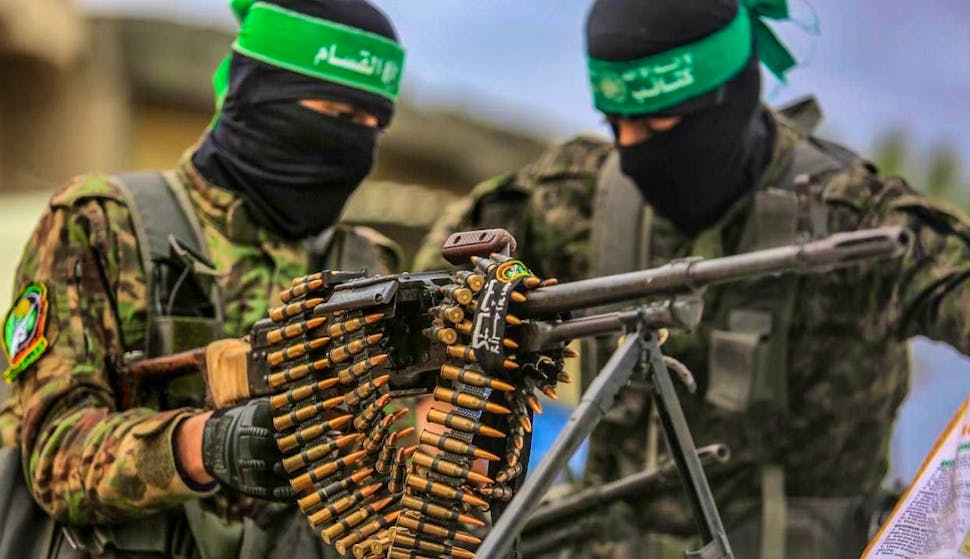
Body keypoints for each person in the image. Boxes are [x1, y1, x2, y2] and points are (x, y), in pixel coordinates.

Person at [414, 0, 970, 557]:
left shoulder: (858, 224)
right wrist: (446, 388)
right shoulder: (577, 198)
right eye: (615, 124)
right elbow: (427, 297)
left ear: (731, 101)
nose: (632, 149)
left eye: (657, 126)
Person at [0, 0, 405, 557]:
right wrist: (203, 447)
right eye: (335, 113)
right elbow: (53, 454)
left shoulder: (366, 265)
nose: (353, 143)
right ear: (260, 96)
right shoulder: (105, 226)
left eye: (371, 126)